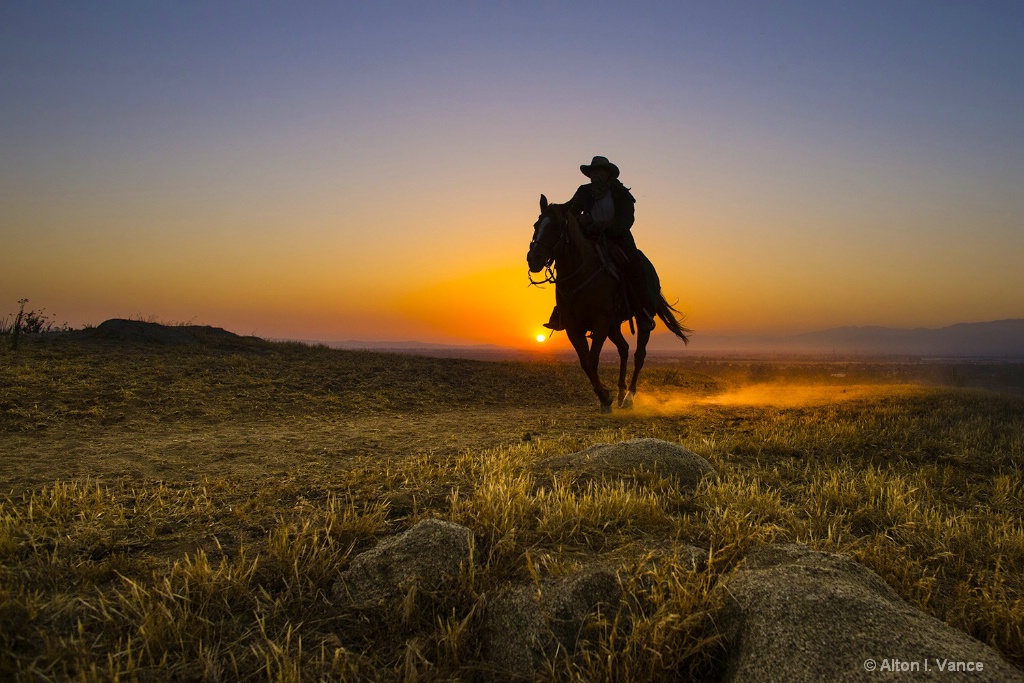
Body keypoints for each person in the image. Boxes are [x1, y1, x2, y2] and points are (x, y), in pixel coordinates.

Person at [544, 156, 659, 332]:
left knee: (634, 265)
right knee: (567, 263)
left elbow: (627, 219)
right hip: (589, 236)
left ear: (607, 174)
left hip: (616, 237)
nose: (595, 175)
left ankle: (643, 310)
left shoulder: (620, 193)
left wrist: (607, 226)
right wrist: (555, 211)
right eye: (592, 173)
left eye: (599, 172)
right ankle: (561, 311)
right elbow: (571, 210)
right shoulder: (583, 191)